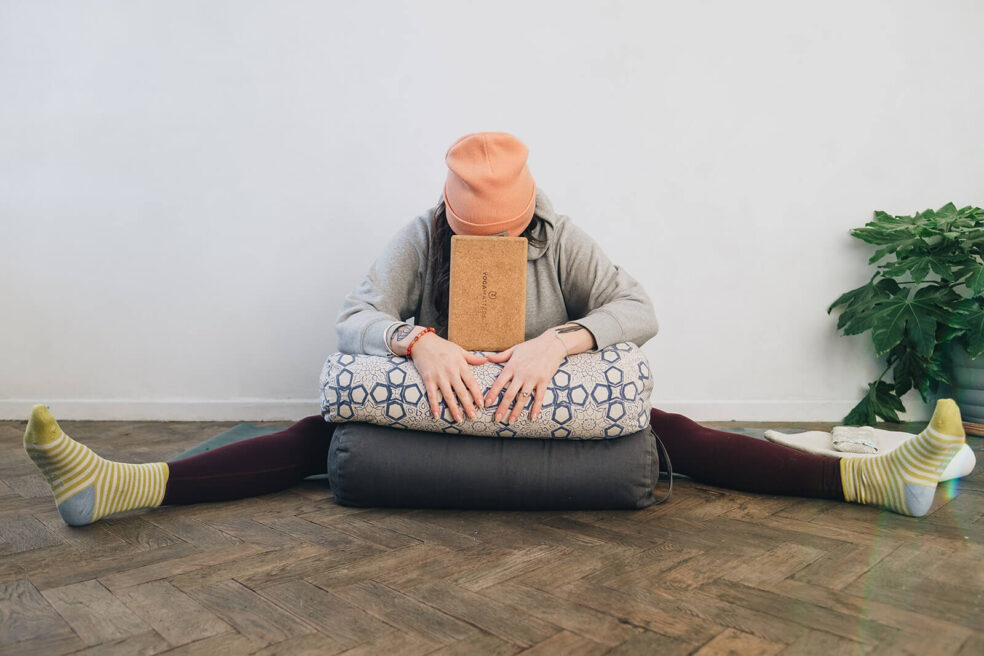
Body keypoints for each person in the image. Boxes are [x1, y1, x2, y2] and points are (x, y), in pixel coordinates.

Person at [23, 132, 967, 527]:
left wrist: (559, 342)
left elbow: (642, 309)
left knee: (670, 434)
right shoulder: (419, 233)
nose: (488, 245)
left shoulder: (563, 234)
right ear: (446, 210)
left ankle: (876, 478)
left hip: (546, 401)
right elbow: (353, 316)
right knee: (317, 437)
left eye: (502, 236)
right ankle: (121, 484)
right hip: (434, 403)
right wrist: (416, 341)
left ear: (527, 218)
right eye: (472, 232)